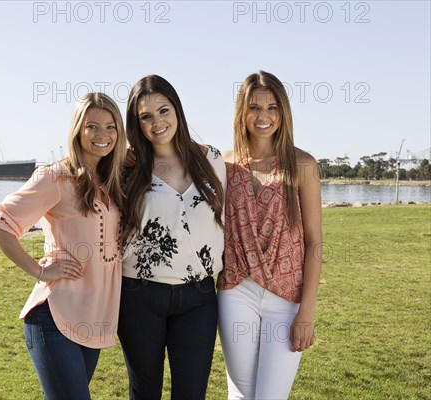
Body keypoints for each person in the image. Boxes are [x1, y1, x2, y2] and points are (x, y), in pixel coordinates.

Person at [0, 92, 127, 400]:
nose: (102, 135)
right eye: (92, 126)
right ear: (77, 129)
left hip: (92, 319)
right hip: (53, 318)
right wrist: (40, 271)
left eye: (111, 126)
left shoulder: (110, 181)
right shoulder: (55, 177)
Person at [118, 75, 226, 400]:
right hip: (139, 296)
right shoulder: (127, 166)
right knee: (144, 393)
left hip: (199, 298)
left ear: (177, 110)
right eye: (146, 116)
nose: (157, 122)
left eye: (163, 110)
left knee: (192, 394)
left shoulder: (212, 160)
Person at [217, 71, 323, 400]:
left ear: (283, 113)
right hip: (236, 292)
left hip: (287, 299)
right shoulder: (223, 164)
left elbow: (314, 242)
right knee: (240, 394)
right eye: (254, 107)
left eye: (272, 107)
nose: (263, 116)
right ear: (241, 112)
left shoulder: (302, 164)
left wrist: (306, 313)